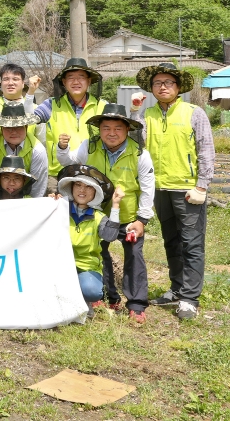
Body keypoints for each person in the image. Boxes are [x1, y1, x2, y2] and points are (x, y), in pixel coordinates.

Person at [56, 103, 154, 322]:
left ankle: (137, 304)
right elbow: (70, 162)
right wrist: (62, 148)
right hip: (96, 213)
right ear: (99, 129)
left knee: (134, 256)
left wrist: (142, 219)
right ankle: (109, 296)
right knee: (100, 253)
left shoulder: (139, 153)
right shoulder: (89, 146)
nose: (111, 133)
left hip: (128, 216)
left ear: (127, 130)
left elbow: (148, 188)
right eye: (106, 128)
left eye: (118, 128)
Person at [133, 62, 215, 320]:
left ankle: (190, 298)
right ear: (152, 88)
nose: (163, 87)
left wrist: (202, 184)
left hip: (187, 188)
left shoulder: (194, 112)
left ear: (178, 87)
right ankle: (177, 288)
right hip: (159, 188)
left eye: (168, 82)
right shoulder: (147, 114)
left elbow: (206, 150)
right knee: (171, 241)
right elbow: (137, 142)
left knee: (191, 243)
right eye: (158, 83)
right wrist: (134, 111)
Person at [55, 164, 124, 317]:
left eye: (88, 187)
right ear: (71, 188)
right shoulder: (59, 209)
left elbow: (110, 236)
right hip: (59, 264)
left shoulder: (99, 217)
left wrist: (116, 205)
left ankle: (85, 302)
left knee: (92, 291)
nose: (82, 190)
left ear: (95, 193)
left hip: (87, 266)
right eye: (78, 185)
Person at [31, 58, 107, 190]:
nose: (76, 82)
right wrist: (30, 93)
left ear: (89, 81)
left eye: (81, 77)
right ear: (64, 82)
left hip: (92, 174)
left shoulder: (103, 106)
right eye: (71, 77)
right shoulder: (51, 104)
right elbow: (30, 120)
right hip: (57, 175)